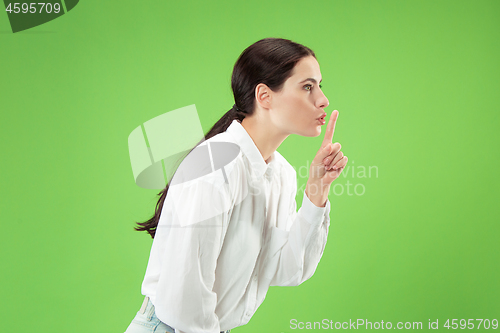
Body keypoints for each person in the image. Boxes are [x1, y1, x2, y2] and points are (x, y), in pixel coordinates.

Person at [124, 37, 348, 333]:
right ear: (264, 96)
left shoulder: (281, 173)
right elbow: (184, 301)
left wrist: (317, 189)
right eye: (307, 86)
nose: (322, 99)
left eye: (320, 86)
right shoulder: (214, 166)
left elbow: (287, 268)